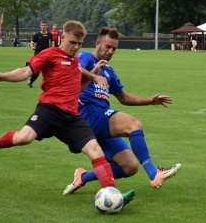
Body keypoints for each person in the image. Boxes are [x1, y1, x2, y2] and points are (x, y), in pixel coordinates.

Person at [0, 21, 135, 204]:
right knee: (23, 138)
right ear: (63, 37)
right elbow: (25, 72)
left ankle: (112, 194)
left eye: (79, 44)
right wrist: (3, 76)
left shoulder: (76, 61)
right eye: (73, 43)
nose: (76, 47)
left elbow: (78, 87)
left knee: (96, 150)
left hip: (71, 117)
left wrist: (94, 73)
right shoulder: (49, 54)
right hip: (49, 110)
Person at [62, 27, 181, 195]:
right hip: (87, 115)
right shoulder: (86, 58)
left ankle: (82, 177)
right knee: (133, 124)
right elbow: (75, 69)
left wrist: (150, 100)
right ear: (98, 43)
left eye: (114, 49)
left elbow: (123, 97)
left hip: (101, 118)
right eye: (107, 46)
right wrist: (93, 74)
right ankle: (154, 173)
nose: (110, 51)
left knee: (130, 166)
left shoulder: (109, 71)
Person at [26, 20, 53, 88]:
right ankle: (30, 81)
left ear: (46, 26)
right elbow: (32, 42)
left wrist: (52, 48)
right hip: (38, 55)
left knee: (49, 70)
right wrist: (32, 46)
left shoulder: (49, 35)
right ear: (40, 26)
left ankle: (50, 84)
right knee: (37, 71)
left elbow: (52, 42)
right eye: (42, 25)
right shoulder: (37, 35)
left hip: (47, 55)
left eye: (44, 25)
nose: (43, 27)